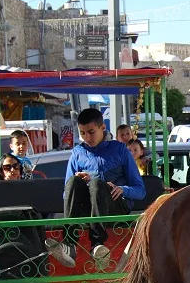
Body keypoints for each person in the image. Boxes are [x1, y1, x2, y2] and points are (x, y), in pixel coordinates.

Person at [45, 108, 146, 267]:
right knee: (73, 181)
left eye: (91, 132)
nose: (87, 137)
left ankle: (98, 244)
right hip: (90, 210)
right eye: (83, 133)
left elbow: (140, 190)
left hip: (116, 207)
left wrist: (123, 189)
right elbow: (67, 194)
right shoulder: (78, 153)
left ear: (102, 128)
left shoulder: (119, 150)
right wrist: (81, 183)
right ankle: (69, 245)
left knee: (97, 183)